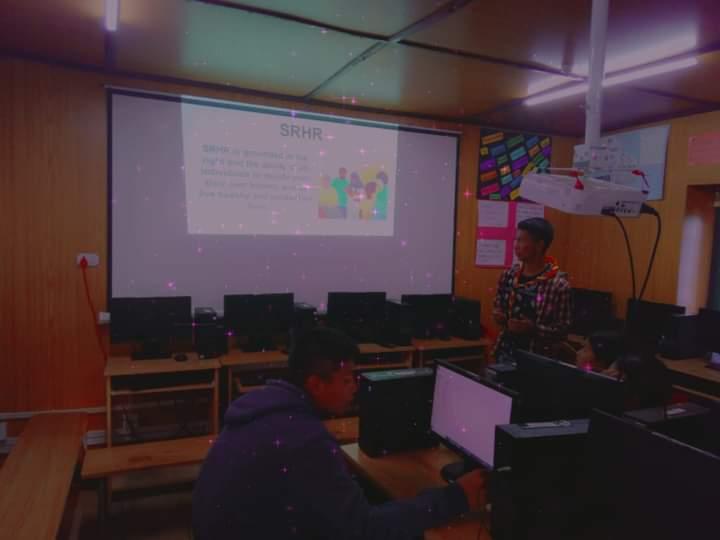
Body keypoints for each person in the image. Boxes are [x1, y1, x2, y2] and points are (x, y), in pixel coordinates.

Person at [192, 327, 485, 540]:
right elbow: (363, 529)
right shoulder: (305, 440)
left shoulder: (263, 406)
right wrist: (456, 497)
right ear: (315, 384)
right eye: (346, 380)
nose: (354, 388)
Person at [493, 217, 572, 361]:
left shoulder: (558, 285)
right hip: (505, 353)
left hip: (537, 359)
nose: (516, 246)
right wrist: (500, 316)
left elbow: (562, 332)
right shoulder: (508, 275)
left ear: (540, 245)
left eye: (521, 241)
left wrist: (532, 329)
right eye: (516, 240)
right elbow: (498, 308)